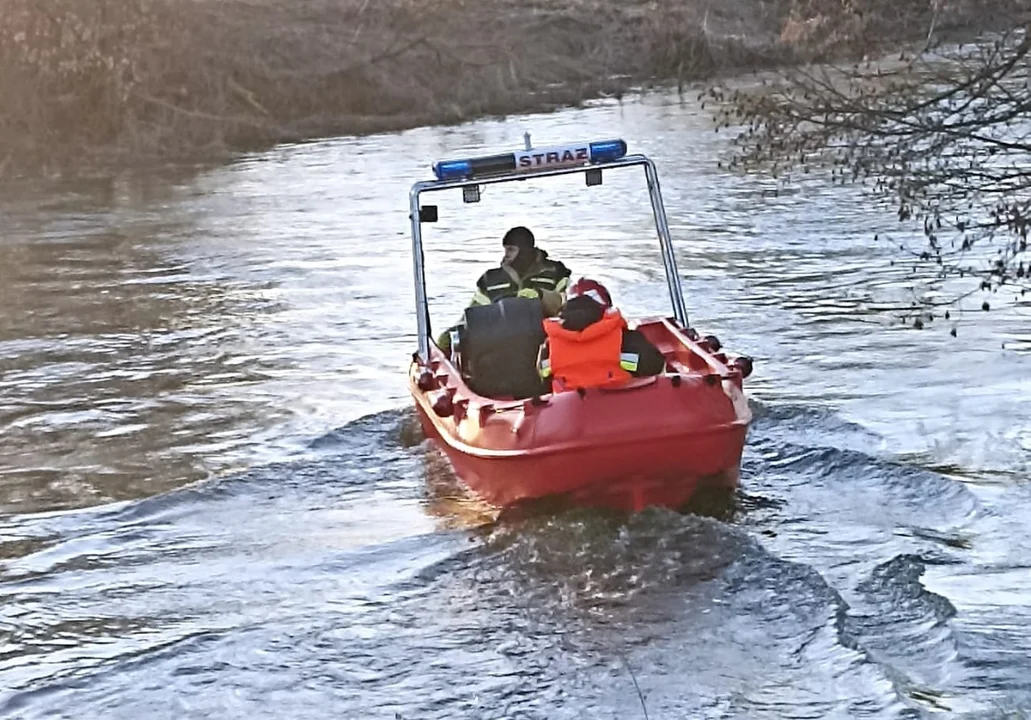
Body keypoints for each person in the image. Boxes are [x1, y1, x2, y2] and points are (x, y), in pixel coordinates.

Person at [436, 226, 571, 353]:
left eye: (511, 250)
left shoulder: (555, 273)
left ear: (525, 250)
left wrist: (541, 297)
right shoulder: (490, 280)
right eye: (505, 250)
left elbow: (566, 304)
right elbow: (474, 312)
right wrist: (452, 333)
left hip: (545, 340)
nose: (506, 255)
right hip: (501, 344)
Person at [537, 278, 666, 392]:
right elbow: (654, 365)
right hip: (621, 410)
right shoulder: (626, 339)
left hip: (568, 414)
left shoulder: (549, 346)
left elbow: (544, 378)